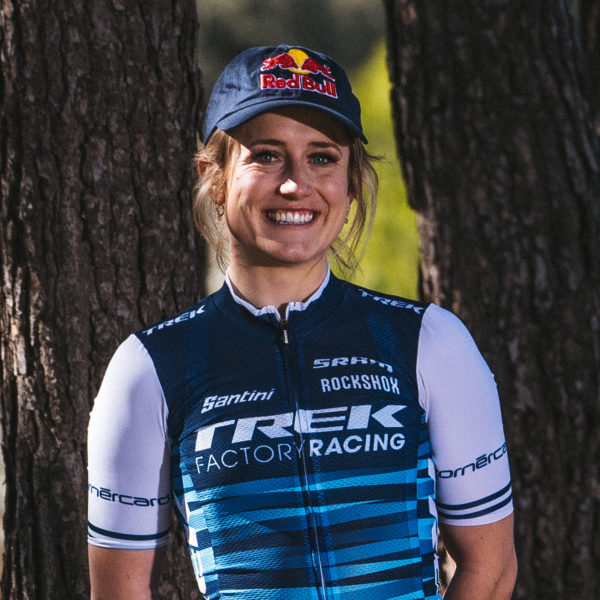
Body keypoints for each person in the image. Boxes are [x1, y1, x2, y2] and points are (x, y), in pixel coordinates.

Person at [87, 44, 517, 600]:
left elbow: (490, 569)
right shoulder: (151, 367)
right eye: (266, 155)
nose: (295, 183)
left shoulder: (427, 342)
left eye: (322, 157)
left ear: (352, 180)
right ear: (214, 178)